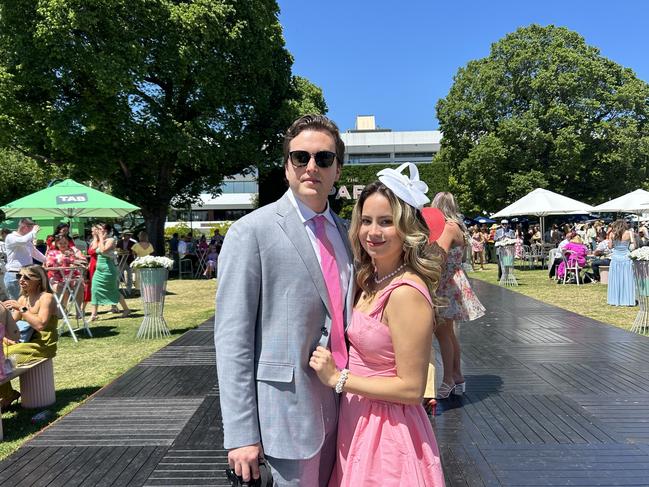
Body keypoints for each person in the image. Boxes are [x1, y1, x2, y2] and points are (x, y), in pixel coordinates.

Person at [214, 114, 353, 486]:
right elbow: (233, 339)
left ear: (337, 169)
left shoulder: (348, 235)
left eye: (323, 159)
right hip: (285, 417)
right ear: (286, 166)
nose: (311, 167)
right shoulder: (251, 233)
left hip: (347, 408)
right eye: (300, 157)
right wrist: (241, 434)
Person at [309, 167, 445, 486]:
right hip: (357, 420)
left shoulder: (406, 293)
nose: (373, 231)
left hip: (389, 431)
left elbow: (412, 389)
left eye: (386, 222)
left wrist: (338, 378)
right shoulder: (368, 279)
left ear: (406, 229)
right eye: (367, 221)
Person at [431, 192, 485, 399]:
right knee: (450, 334)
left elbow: (439, 254)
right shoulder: (458, 227)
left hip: (444, 284)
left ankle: (448, 379)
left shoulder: (447, 227)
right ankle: (456, 375)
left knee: (443, 334)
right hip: (453, 281)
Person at [1, 265, 58, 409]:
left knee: (5, 358)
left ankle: (8, 394)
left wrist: (21, 309)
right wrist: (7, 337)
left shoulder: (47, 298)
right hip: (23, 342)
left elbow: (40, 325)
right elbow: (12, 327)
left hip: (42, 345)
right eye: (19, 276)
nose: (21, 280)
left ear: (39, 280)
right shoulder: (22, 299)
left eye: (26, 277)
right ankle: (8, 393)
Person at [90, 223, 131, 320]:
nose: (98, 230)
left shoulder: (111, 240)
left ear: (106, 230)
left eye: (100, 229)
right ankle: (94, 314)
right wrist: (96, 237)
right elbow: (93, 249)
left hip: (109, 269)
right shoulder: (99, 240)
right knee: (94, 289)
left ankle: (126, 309)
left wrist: (100, 237)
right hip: (99, 269)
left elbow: (103, 250)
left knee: (112, 290)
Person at [4, 218, 46, 300]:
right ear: (24, 227)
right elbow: (22, 240)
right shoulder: (11, 237)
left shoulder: (26, 239)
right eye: (31, 228)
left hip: (27, 274)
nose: (32, 231)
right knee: (17, 303)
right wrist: (34, 232)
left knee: (27, 302)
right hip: (14, 275)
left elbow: (34, 253)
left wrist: (47, 260)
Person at [45, 235, 87, 313]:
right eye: (60, 243)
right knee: (61, 289)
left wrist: (76, 262)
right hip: (57, 277)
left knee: (79, 285)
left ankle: (78, 310)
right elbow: (49, 265)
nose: (63, 245)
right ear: (56, 243)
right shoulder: (52, 253)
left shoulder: (71, 252)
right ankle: (61, 310)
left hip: (71, 276)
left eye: (65, 243)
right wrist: (61, 260)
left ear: (68, 243)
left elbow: (76, 261)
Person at [607, 219, 636, 306]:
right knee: (627, 279)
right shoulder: (630, 233)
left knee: (615, 279)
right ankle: (627, 300)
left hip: (615, 258)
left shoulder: (612, 234)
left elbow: (610, 246)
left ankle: (615, 300)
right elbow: (633, 247)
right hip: (626, 258)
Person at [117, 230, 136, 296]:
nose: (127, 236)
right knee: (118, 276)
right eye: (126, 235)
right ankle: (116, 290)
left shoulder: (132, 243)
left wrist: (129, 252)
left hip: (129, 261)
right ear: (123, 235)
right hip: (121, 261)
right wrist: (120, 251)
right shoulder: (119, 242)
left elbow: (134, 252)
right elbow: (117, 250)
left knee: (129, 276)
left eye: (129, 235)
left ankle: (129, 290)